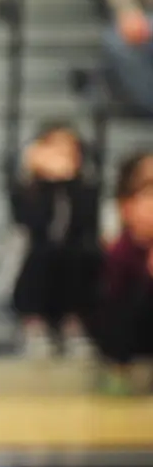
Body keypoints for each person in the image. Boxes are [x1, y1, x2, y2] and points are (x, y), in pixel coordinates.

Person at [2, 121, 101, 359]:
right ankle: (34, 325)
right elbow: (33, 223)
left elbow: (85, 224)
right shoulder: (27, 190)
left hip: (72, 267)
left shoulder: (85, 190)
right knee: (42, 253)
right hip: (34, 266)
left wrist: (68, 184)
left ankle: (73, 324)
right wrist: (47, 184)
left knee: (79, 254)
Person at [90, 150, 153, 395]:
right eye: (147, 194)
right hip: (125, 334)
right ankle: (117, 370)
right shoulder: (119, 248)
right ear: (126, 205)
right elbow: (111, 299)